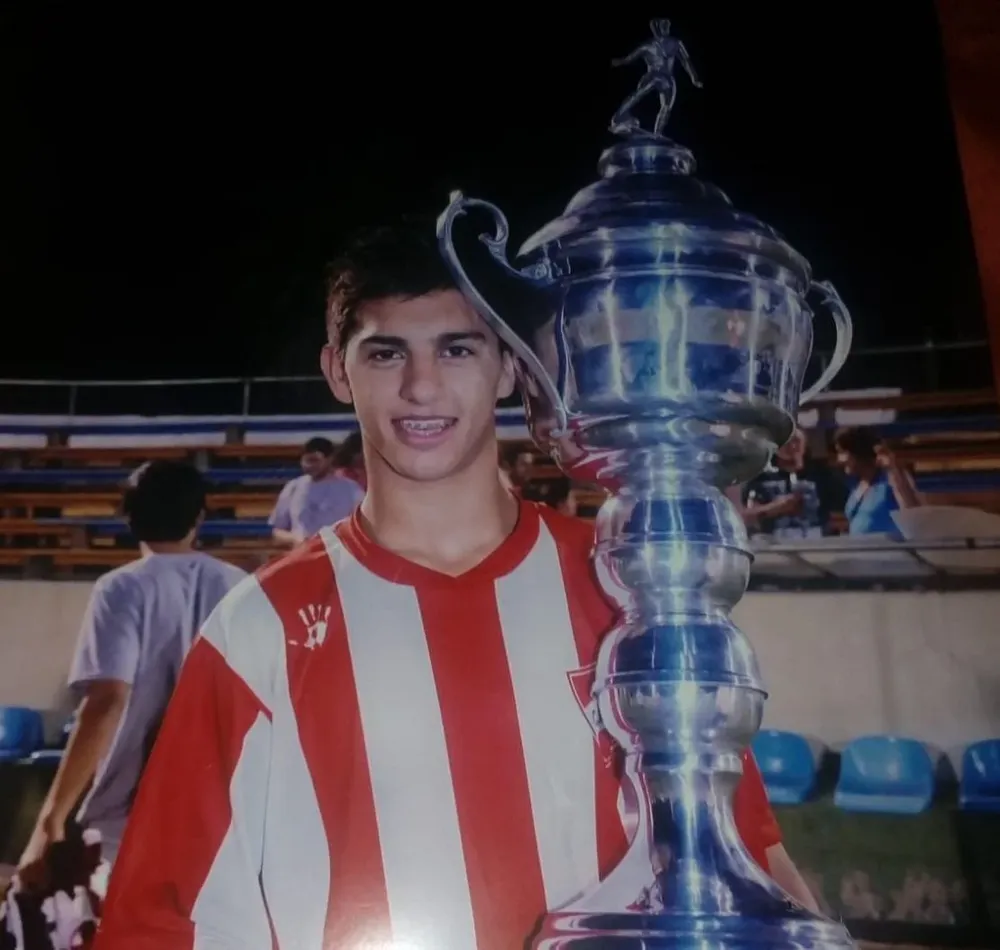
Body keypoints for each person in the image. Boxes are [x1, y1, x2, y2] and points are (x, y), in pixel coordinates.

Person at [94, 221, 819, 950]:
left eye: (457, 347)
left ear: (509, 366)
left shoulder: (630, 586)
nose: (421, 385)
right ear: (338, 370)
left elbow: (747, 857)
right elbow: (160, 920)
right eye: (385, 353)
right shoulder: (259, 630)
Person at [4, 461, 246, 950]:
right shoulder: (240, 587)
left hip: (132, 819)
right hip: (219, 813)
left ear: (127, 517)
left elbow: (108, 700)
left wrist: (50, 821)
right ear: (200, 517)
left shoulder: (121, 587)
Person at [727, 428, 847, 538]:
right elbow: (744, 517)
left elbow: (843, 515)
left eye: (796, 440)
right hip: (773, 547)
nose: (792, 446)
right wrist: (774, 508)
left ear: (805, 443)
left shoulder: (823, 476)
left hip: (816, 545)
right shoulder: (760, 478)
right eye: (785, 441)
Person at [268, 436, 364, 548]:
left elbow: (362, 527)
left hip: (337, 552)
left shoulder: (351, 489)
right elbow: (277, 531)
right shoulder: (293, 487)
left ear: (330, 459)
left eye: (315, 460)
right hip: (301, 552)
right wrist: (294, 538)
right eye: (307, 461)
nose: (310, 466)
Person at [834, 425, 924, 534]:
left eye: (842, 452)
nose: (839, 459)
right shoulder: (856, 485)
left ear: (857, 452)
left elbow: (914, 514)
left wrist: (893, 470)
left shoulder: (891, 478)